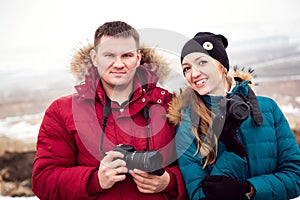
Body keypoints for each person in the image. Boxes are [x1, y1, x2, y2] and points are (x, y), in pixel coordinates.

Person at [32, 21, 187, 200]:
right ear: (95, 58)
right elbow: (43, 181)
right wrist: (94, 180)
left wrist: (170, 182)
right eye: (109, 55)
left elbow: (202, 170)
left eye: (127, 55)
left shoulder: (171, 107)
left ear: (138, 58)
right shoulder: (62, 111)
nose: (118, 64)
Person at [167, 32, 300, 200]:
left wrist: (250, 189)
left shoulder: (268, 109)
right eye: (187, 68)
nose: (194, 74)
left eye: (202, 62)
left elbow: (296, 176)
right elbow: (199, 195)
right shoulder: (188, 123)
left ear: (222, 66)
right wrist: (233, 152)